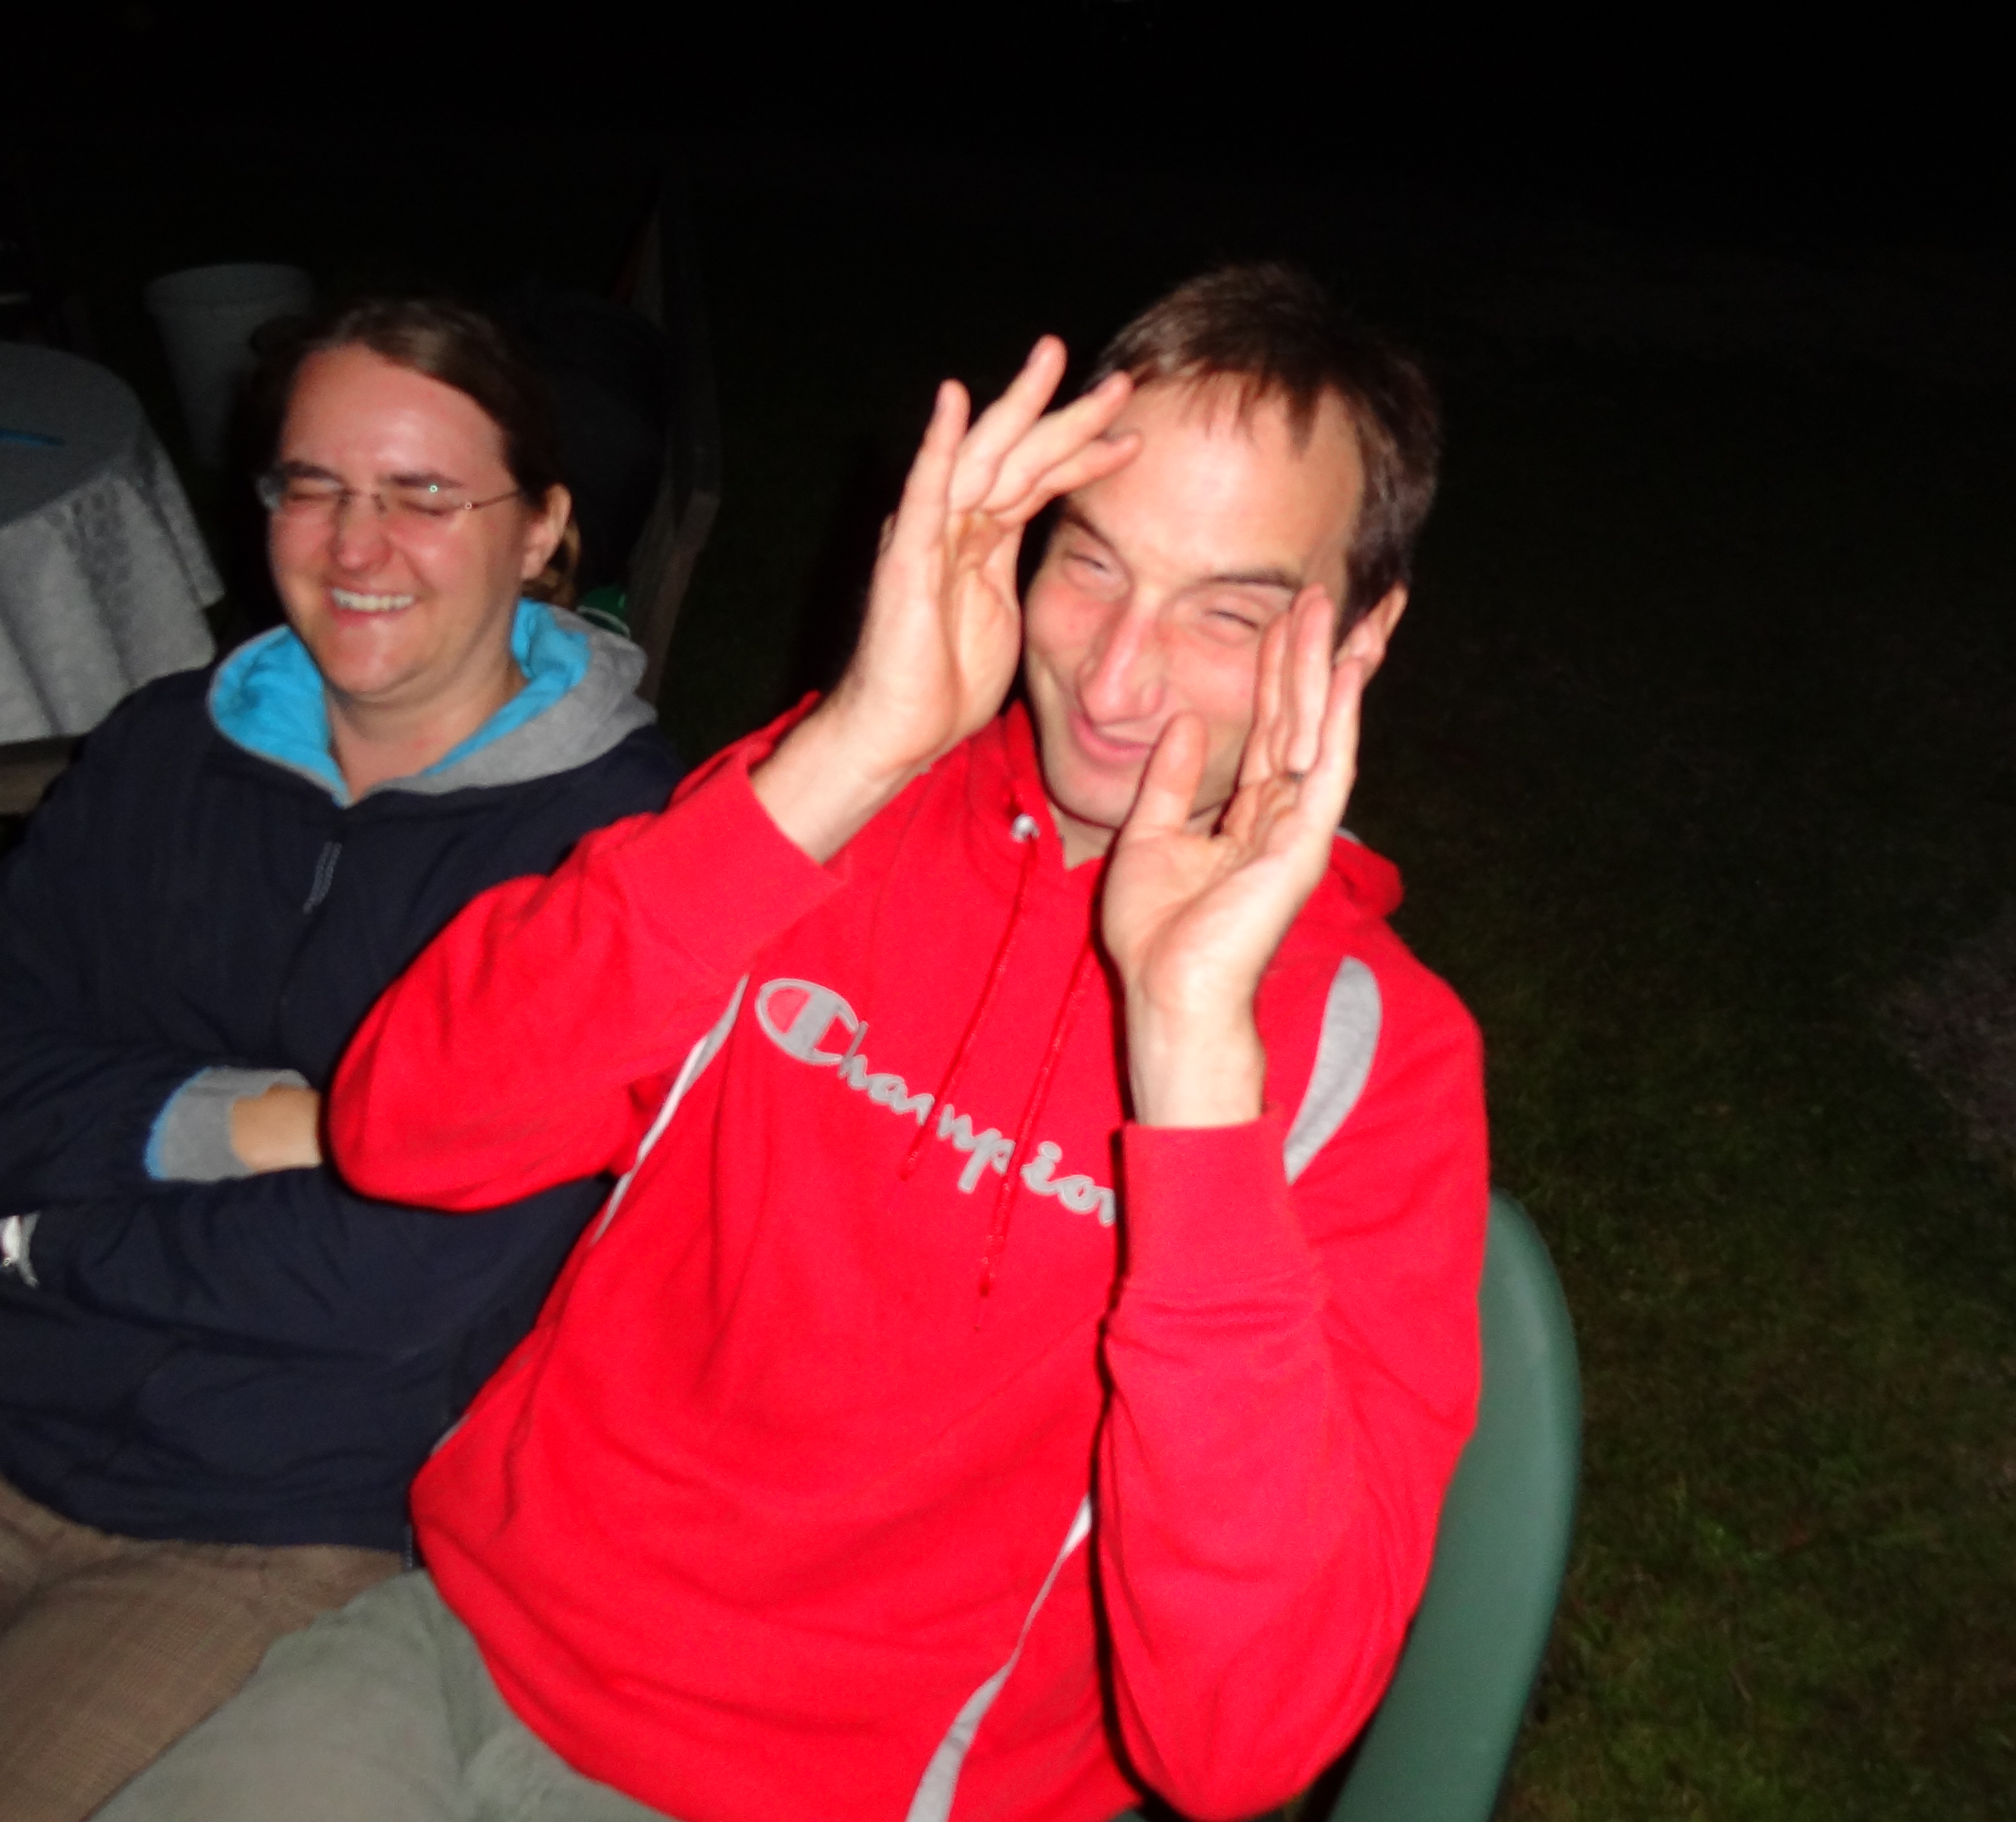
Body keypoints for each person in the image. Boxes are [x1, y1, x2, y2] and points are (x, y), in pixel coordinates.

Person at [99, 264, 1490, 1822]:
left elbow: (1237, 1748)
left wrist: (1196, 1074)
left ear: (1361, 633)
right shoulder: (830, 798)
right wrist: (857, 747)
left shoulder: (1375, 1064)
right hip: (465, 1647)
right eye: (1089, 564)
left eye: (1227, 610)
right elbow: (408, 1126)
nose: (1114, 677)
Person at [0, 298, 684, 1822]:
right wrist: (246, 1124)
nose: (356, 546)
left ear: (543, 529)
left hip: (275, 1518)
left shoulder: (622, 861)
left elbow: (393, 1291)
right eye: (313, 485)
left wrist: (47, 1219)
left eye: (424, 495)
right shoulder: (168, 749)